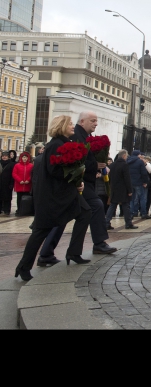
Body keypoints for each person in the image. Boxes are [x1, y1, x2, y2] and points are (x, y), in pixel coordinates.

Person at [14, 116, 93, 280]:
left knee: (85, 212)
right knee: (41, 231)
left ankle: (73, 253)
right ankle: (23, 266)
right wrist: (74, 177)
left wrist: (77, 177)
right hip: (53, 197)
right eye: (70, 124)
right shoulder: (56, 144)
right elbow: (54, 170)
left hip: (64, 194)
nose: (73, 126)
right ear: (62, 126)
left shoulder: (62, 143)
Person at [38, 111, 117, 263]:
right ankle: (96, 244)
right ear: (83, 121)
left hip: (80, 183)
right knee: (95, 205)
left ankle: (48, 253)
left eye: (96, 120)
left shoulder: (81, 136)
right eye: (93, 120)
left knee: (70, 215)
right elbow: (74, 161)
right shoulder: (74, 137)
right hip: (77, 184)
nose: (96, 123)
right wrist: (95, 165)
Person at [105, 150, 136, 230]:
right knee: (126, 206)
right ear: (124, 156)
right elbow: (127, 179)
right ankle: (128, 223)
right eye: (126, 156)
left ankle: (106, 223)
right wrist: (130, 190)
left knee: (112, 206)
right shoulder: (124, 165)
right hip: (123, 189)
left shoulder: (112, 165)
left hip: (114, 189)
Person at [127, 149, 150, 219]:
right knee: (142, 198)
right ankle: (143, 213)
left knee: (132, 198)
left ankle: (131, 213)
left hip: (130, 183)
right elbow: (144, 173)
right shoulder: (140, 162)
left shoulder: (127, 161)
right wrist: (145, 182)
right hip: (138, 182)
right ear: (138, 155)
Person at [12, 151, 33, 216]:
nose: (24, 159)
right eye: (23, 157)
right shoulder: (17, 165)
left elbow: (32, 174)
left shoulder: (31, 165)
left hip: (27, 185)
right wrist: (19, 180)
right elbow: (14, 174)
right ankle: (19, 210)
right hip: (19, 185)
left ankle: (25, 210)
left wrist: (28, 180)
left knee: (26, 199)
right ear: (21, 158)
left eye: (26, 157)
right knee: (19, 198)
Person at [0, 151, 16, 215]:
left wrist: (11, 183)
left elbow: (13, 174)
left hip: (7, 183)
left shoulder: (11, 164)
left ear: (8, 157)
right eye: (3, 156)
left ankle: (7, 210)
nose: (4, 157)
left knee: (7, 198)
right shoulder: (0, 163)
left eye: (6, 156)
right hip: (0, 183)